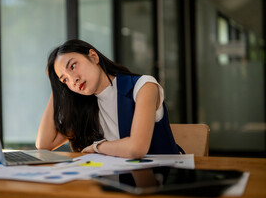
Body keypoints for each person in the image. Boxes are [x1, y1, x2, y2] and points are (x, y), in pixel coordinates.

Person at [36, 39, 184, 159]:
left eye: (73, 66)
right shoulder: (84, 106)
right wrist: (56, 88)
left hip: (159, 181)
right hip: (114, 182)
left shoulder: (144, 86)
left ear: (93, 56)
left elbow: (136, 148)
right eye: (65, 80)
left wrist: (97, 147)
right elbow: (44, 144)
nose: (73, 80)